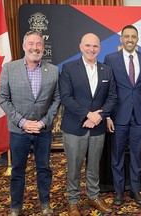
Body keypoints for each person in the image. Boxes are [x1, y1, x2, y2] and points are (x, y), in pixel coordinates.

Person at [0, 30, 60, 215]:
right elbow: (3, 98)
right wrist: (22, 122)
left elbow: (57, 99)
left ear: (43, 47)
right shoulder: (9, 68)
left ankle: (45, 204)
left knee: (44, 169)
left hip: (43, 130)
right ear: (24, 46)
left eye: (39, 44)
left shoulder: (53, 70)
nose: (35, 47)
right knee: (18, 170)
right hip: (19, 131)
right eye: (31, 44)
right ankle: (16, 207)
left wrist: (43, 123)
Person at [59, 33, 117, 216]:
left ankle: (93, 196)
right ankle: (73, 201)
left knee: (93, 167)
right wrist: (88, 115)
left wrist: (99, 116)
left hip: (97, 128)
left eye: (95, 46)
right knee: (74, 168)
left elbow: (112, 97)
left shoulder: (106, 70)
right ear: (80, 47)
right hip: (75, 127)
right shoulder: (68, 68)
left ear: (100, 48)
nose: (91, 49)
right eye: (88, 45)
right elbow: (66, 98)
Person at [104, 25, 141, 206]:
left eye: (133, 37)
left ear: (137, 39)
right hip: (118, 117)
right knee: (117, 155)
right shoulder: (110, 59)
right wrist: (107, 116)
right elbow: (106, 90)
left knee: (137, 155)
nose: (130, 39)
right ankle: (118, 192)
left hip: (139, 116)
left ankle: (135, 190)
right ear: (121, 39)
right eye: (126, 36)